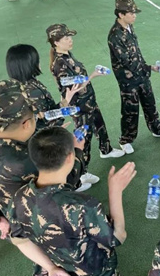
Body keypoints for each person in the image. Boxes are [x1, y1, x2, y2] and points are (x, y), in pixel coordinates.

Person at [0, 79, 83, 276]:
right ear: (26, 123)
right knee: (53, 262)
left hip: (14, 220)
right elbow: (64, 183)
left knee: (41, 263)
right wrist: (76, 153)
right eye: (34, 119)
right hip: (40, 218)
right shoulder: (26, 159)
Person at [9, 127, 135, 276]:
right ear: (69, 158)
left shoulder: (20, 197)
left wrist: (50, 267)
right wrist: (115, 192)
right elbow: (117, 237)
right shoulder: (83, 206)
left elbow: (20, 240)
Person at [47, 23, 125, 171]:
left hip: (88, 100)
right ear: (56, 42)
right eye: (66, 38)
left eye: (70, 37)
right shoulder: (60, 63)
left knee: (99, 124)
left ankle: (106, 149)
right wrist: (93, 75)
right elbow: (74, 88)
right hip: (79, 106)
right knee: (84, 138)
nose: (70, 40)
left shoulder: (66, 55)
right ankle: (81, 172)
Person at [107, 0, 160, 154]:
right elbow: (127, 61)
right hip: (128, 79)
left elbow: (136, 54)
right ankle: (126, 140)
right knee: (130, 110)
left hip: (141, 74)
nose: (134, 16)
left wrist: (148, 67)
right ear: (121, 14)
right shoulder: (115, 35)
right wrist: (148, 68)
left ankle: (157, 129)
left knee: (150, 103)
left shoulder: (129, 27)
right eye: (131, 13)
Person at [5, 44, 82, 133]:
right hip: (45, 137)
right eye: (36, 60)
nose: (39, 62)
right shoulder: (33, 92)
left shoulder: (16, 86)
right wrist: (66, 100)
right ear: (29, 65)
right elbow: (49, 120)